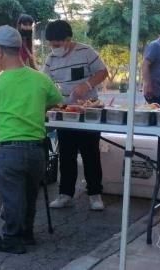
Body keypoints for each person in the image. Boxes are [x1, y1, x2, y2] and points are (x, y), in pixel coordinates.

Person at [0, 25, 63, 254]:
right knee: (29, 194)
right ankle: (26, 234)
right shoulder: (40, 79)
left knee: (12, 198)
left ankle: (12, 238)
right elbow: (56, 99)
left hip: (9, 152)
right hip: (38, 150)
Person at [42, 20, 108, 210]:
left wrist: (86, 85)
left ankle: (95, 194)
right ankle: (65, 194)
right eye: (51, 45)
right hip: (65, 111)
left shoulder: (86, 51)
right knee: (66, 153)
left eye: (57, 44)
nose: (54, 48)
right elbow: (44, 82)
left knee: (90, 154)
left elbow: (103, 72)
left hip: (88, 110)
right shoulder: (51, 59)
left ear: (68, 40)